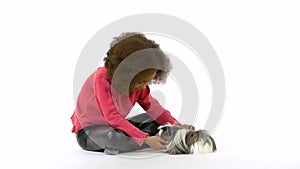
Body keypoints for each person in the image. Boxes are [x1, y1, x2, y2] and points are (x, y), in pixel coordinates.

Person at [71, 32, 195, 155]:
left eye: (147, 82)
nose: (143, 86)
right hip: (89, 133)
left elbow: (156, 111)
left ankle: (145, 140)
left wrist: (178, 125)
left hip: (116, 128)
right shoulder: (101, 79)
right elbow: (112, 117)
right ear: (129, 74)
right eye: (141, 81)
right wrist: (145, 139)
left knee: (155, 120)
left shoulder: (140, 87)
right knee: (112, 137)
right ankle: (144, 142)